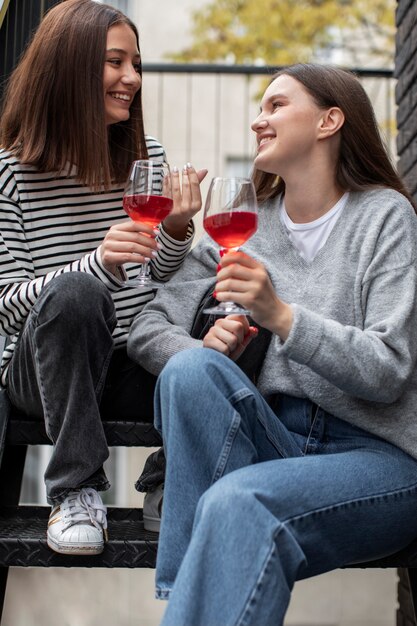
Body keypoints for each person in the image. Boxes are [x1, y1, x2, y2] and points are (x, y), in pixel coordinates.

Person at [128, 63, 417, 625]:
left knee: (238, 502)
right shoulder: (241, 222)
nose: (259, 120)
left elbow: (388, 370)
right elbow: (147, 326)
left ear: (330, 120)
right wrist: (211, 348)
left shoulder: (385, 217)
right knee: (192, 372)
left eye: (277, 105)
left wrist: (282, 317)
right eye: (260, 109)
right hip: (269, 439)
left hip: (377, 459)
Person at [0, 0, 206, 556]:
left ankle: (170, 477)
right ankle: (75, 491)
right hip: (43, 374)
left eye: (136, 64)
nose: (132, 79)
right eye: (116, 63)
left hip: (128, 359)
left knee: (233, 303)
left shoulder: (147, 158)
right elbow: (5, 306)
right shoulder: (10, 173)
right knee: (76, 292)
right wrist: (93, 265)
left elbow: (153, 275)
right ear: (69, 67)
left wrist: (179, 231)